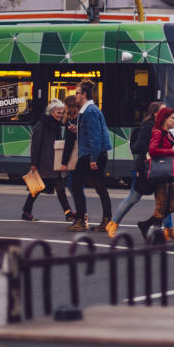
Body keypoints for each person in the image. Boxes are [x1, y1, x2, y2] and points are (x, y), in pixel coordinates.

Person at [107, 101, 167, 238]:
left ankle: (168, 230)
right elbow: (140, 147)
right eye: (164, 110)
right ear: (155, 113)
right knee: (133, 198)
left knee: (163, 202)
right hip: (145, 167)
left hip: (159, 167)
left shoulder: (163, 126)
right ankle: (113, 224)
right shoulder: (149, 126)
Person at [66, 79, 112, 233]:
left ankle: (80, 219)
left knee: (76, 184)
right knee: (99, 187)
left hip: (90, 154)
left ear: (84, 94)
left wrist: (93, 159)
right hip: (94, 153)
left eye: (77, 93)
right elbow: (91, 133)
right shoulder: (89, 110)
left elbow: (95, 136)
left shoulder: (90, 111)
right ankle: (106, 220)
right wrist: (77, 130)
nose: (75, 96)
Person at [21, 99, 73, 222]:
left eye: (62, 112)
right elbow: (35, 145)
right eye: (58, 112)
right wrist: (34, 164)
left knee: (58, 188)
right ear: (51, 112)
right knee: (37, 188)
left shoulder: (57, 124)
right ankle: (26, 211)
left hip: (54, 161)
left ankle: (68, 213)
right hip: (44, 162)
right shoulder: (42, 125)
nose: (61, 115)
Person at [137, 106, 174, 241]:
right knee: (161, 207)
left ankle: (145, 225)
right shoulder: (158, 132)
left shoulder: (168, 133)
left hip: (169, 175)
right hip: (161, 175)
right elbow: (152, 150)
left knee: (170, 207)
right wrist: (170, 151)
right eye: (173, 118)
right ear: (164, 119)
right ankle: (157, 238)